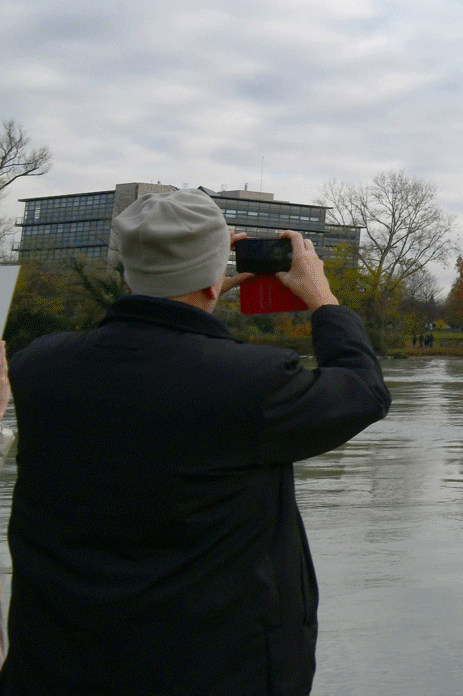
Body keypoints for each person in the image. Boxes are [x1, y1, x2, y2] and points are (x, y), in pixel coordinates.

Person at [3, 190, 391, 696]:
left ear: (127, 272)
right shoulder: (254, 383)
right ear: (214, 276)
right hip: (214, 671)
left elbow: (138, 361)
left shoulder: (38, 367)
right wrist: (323, 299)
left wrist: (194, 288)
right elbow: (363, 392)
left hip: (58, 666)